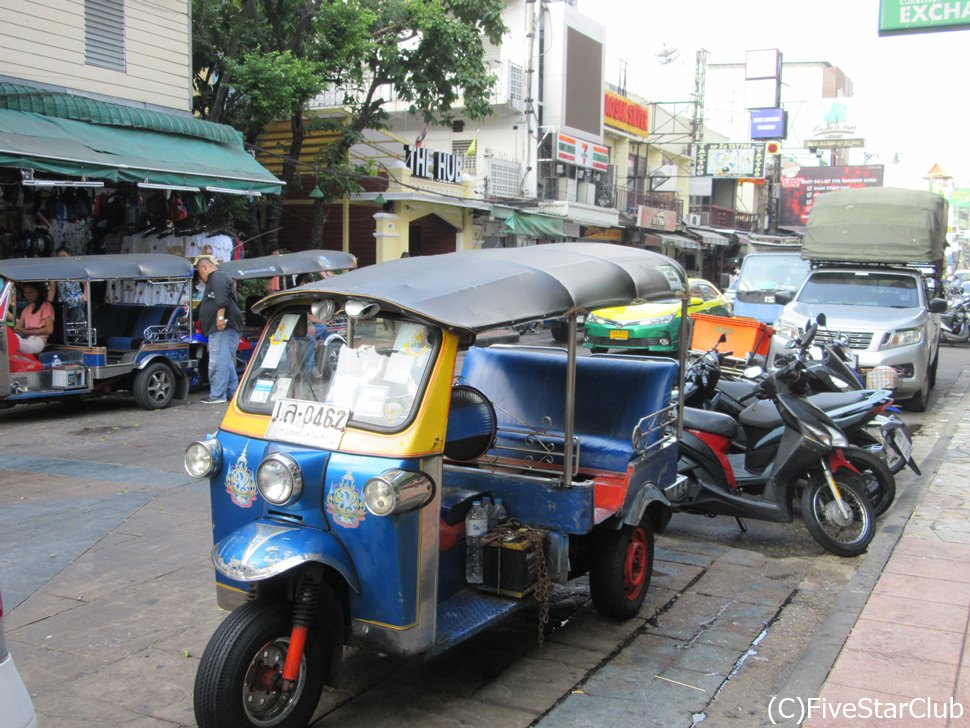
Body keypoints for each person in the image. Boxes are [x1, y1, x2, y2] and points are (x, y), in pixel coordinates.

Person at [195, 256, 242, 404]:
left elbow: (222, 299)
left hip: (223, 328)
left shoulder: (217, 276)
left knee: (218, 362)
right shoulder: (213, 282)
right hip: (220, 329)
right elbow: (203, 306)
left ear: (204, 268)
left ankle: (217, 395)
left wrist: (220, 318)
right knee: (225, 361)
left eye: (198, 273)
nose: (200, 278)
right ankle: (232, 393)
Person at [48, 246, 87, 323]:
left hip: (76, 302)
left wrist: (85, 295)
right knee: (64, 325)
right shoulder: (55, 271)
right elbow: (52, 290)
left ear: (69, 256)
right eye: (59, 257)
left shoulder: (76, 269)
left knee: (77, 324)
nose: (62, 259)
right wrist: (48, 303)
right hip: (63, 303)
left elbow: (86, 283)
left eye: (64, 256)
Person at [14, 281, 54, 354]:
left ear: (39, 292)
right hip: (27, 339)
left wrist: (26, 331)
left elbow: (49, 329)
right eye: (25, 293)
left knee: (17, 344)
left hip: (39, 340)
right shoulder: (27, 309)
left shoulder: (46, 306)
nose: (27, 295)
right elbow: (18, 328)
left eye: (31, 292)